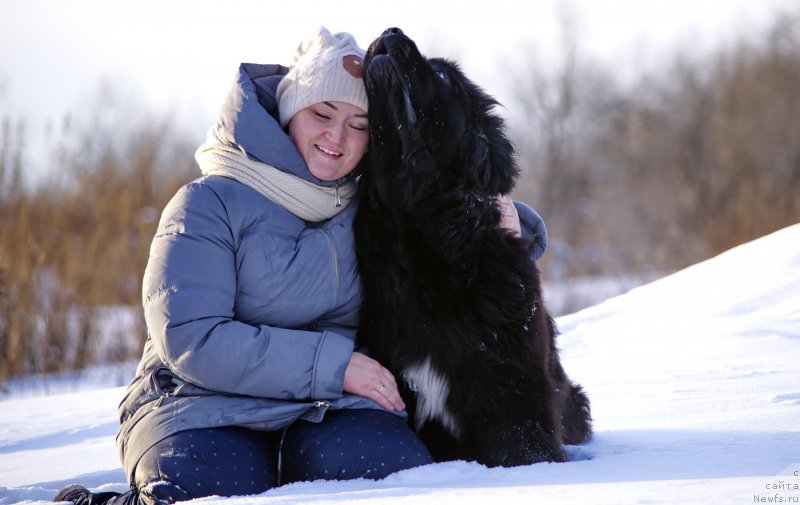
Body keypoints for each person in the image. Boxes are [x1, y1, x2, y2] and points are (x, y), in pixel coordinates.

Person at [55, 26, 547, 505]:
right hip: (202, 404)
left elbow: (438, 211)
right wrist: (333, 367)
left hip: (325, 410)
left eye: (358, 126)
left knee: (391, 473)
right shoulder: (206, 205)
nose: (337, 136)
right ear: (290, 111)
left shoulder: (363, 203)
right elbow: (193, 339)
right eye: (323, 114)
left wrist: (506, 220)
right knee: (210, 488)